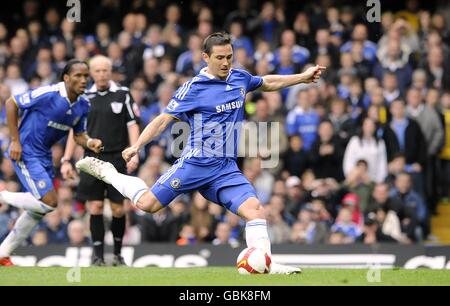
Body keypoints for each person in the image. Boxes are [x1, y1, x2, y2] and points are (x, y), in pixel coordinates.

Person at [76, 32, 325, 274]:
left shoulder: (240, 77)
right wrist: (137, 146)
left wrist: (302, 78)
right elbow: (164, 119)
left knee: (255, 210)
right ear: (205, 57)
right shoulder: (194, 88)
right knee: (147, 204)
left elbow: (267, 82)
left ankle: (265, 265)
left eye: (229, 56)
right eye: (220, 57)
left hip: (225, 167)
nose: (226, 62)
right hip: (196, 163)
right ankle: (109, 174)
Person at [0, 59, 103, 266]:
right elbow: (11, 103)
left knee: (38, 211)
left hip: (44, 156)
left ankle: (3, 254)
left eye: (86, 76)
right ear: (66, 78)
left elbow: (79, 135)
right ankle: (2, 196)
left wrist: (90, 142)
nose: (84, 80)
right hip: (26, 151)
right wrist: (15, 141)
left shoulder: (83, 105)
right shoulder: (48, 94)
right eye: (78, 76)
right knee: (50, 202)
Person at [62, 55, 140, 266]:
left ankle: (117, 254)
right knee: (95, 207)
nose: (102, 74)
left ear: (110, 71)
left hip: (117, 157)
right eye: (97, 71)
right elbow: (74, 131)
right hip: (91, 158)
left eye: (105, 70)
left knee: (118, 209)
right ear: (91, 74)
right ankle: (97, 256)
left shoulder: (123, 94)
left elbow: (132, 124)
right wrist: (66, 159)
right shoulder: (83, 96)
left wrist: (134, 150)